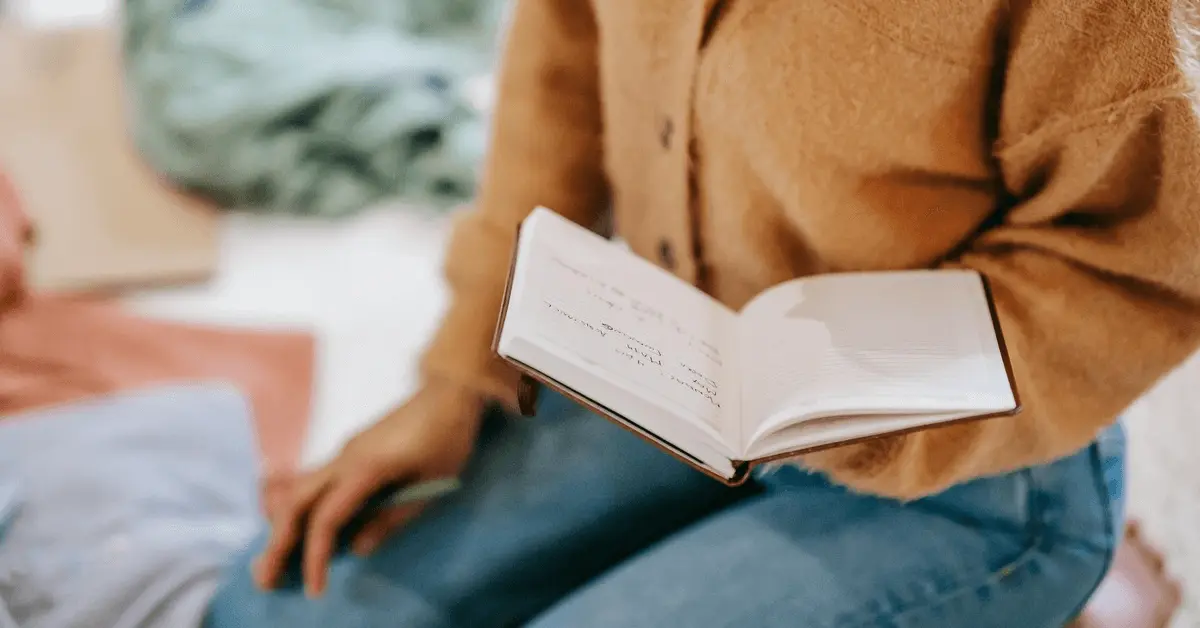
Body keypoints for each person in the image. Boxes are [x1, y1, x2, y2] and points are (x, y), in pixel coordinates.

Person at [206, 1, 1200, 626]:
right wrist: (460, 369)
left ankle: (1079, 587)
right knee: (271, 609)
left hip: (976, 480)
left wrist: (849, 402)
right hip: (679, 360)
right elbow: (563, 46)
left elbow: (1140, 262)